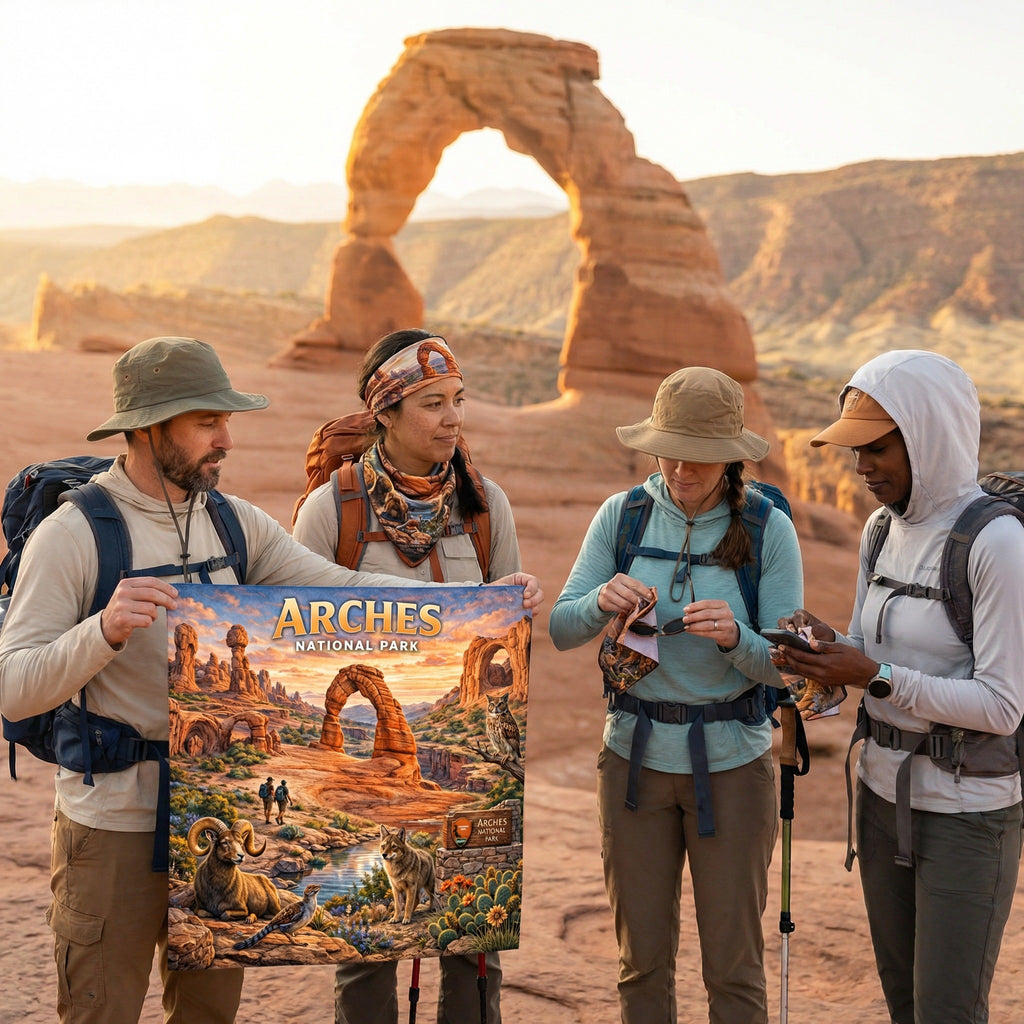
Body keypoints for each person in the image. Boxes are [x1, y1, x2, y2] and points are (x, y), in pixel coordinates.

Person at [0, 336, 542, 1024]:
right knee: (100, 1011)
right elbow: (14, 686)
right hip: (115, 826)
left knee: (207, 1016)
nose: (227, 438)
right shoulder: (77, 534)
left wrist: (482, 607)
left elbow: (345, 588)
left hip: (210, 826)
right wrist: (101, 630)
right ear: (144, 429)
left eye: (227, 420)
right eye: (207, 422)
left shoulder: (234, 525)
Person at [770, 349, 1024, 1024]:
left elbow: (1002, 706)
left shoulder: (995, 543)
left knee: (946, 1009)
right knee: (903, 1001)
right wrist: (826, 652)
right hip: (879, 796)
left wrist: (876, 675)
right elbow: (868, 649)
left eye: (878, 448)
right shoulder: (881, 530)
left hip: (968, 812)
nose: (862, 468)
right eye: (857, 450)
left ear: (928, 437)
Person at [548, 366, 803, 1024]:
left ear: (730, 457)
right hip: (632, 762)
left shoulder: (768, 530)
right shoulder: (624, 516)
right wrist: (600, 600)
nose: (682, 470)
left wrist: (738, 639)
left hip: (734, 769)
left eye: (701, 457)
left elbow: (788, 668)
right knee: (642, 964)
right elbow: (560, 627)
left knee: (734, 969)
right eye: (670, 451)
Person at [293, 327, 518, 1024]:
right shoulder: (334, 508)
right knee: (364, 954)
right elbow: (292, 620)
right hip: (374, 788)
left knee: (474, 945)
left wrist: (519, 603)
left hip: (475, 776)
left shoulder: (485, 507)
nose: (453, 418)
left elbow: (505, 627)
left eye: (459, 400)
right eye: (432, 403)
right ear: (385, 413)